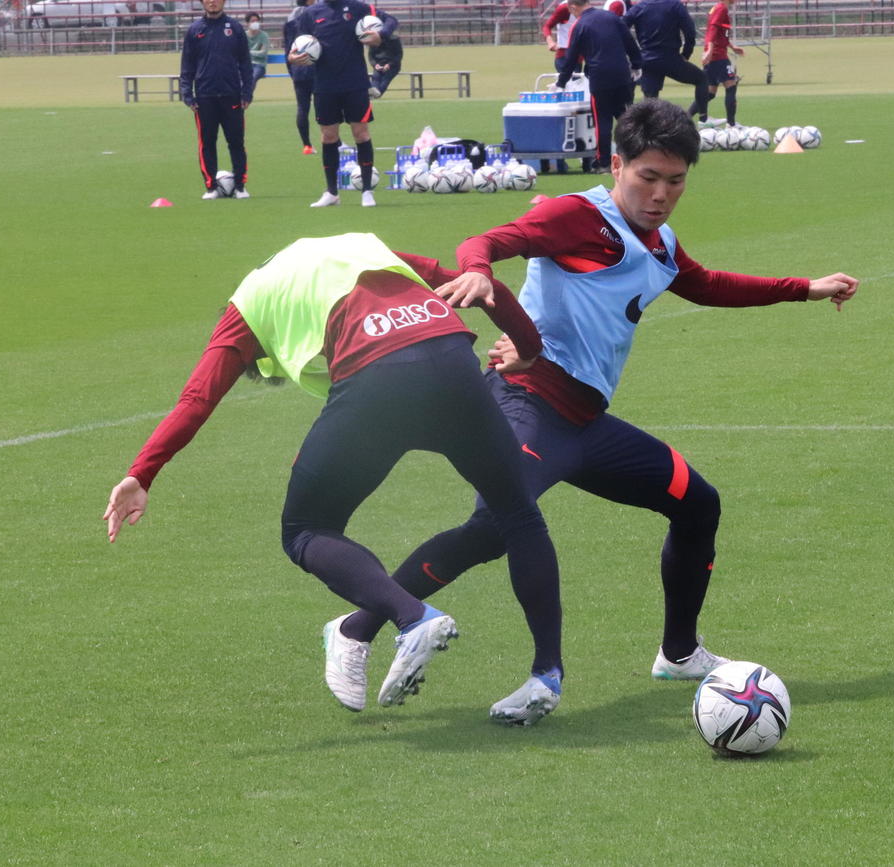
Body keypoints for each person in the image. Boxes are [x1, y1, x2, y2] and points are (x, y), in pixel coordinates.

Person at [329, 100, 858, 726]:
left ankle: (680, 652)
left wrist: (805, 288)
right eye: (648, 178)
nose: (661, 194)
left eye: (676, 180)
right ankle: (357, 628)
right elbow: (489, 241)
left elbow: (707, 284)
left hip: (584, 425)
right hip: (524, 403)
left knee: (697, 503)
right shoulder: (579, 217)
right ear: (617, 164)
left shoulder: (660, 244)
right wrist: (475, 272)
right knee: (497, 529)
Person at [101, 233, 564, 724]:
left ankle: (414, 618)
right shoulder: (359, 247)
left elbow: (196, 400)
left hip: (378, 382)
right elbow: (487, 290)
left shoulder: (246, 309)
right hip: (451, 358)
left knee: (304, 529)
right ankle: (547, 675)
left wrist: (141, 473)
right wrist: (529, 349)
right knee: (518, 515)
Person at [290, 0, 398, 207]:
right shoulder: (310, 13)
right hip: (324, 85)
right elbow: (297, 44)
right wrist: (293, 57)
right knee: (329, 137)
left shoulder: (358, 8)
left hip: (355, 83)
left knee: (361, 133)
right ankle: (332, 193)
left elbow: (391, 20)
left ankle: (367, 191)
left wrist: (381, 35)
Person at [179, 0, 254, 200]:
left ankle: (240, 186)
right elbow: (187, 66)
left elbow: (245, 63)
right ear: (203, 2)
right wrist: (187, 95)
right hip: (204, 97)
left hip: (232, 95)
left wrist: (247, 92)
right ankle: (211, 187)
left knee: (236, 142)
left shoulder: (235, 28)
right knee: (207, 143)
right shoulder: (195, 30)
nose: (213, 2)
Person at [557, 0, 642, 173]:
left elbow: (571, 57)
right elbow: (630, 42)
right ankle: (634, 156)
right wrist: (636, 64)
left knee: (602, 121)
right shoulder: (612, 17)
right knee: (626, 118)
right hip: (621, 75)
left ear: (573, 7)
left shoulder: (580, 25)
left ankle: (603, 163)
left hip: (599, 78)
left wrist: (561, 82)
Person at [624, 0, 710, 121]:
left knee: (650, 101)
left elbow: (621, 26)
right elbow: (690, 30)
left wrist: (633, 52)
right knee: (701, 79)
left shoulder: (639, 7)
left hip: (648, 60)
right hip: (671, 58)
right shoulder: (675, 5)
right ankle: (703, 119)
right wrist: (686, 53)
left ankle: (649, 133)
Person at [540, 0, 580, 174]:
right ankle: (563, 151)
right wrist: (550, 41)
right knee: (569, 104)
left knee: (580, 104)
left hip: (579, 58)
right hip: (564, 56)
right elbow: (547, 26)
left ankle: (578, 146)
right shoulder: (564, 8)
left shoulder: (586, 7)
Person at [698, 0, 743, 128]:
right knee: (731, 85)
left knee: (710, 93)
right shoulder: (721, 9)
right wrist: (710, 50)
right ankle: (731, 124)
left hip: (716, 54)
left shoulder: (720, 9)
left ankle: (694, 118)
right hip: (718, 55)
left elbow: (722, 34)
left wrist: (732, 46)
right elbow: (713, 29)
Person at [283, 0, 316, 154]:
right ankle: (333, 140)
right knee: (323, 105)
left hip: (298, 69)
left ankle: (307, 145)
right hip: (316, 67)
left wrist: (292, 71)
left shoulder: (290, 18)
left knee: (303, 108)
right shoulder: (315, 14)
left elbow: (288, 48)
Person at [367, 21, 402, 98]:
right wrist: (375, 65)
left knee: (385, 80)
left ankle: (376, 96)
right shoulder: (373, 40)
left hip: (392, 66)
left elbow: (398, 55)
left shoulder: (394, 40)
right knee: (375, 78)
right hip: (379, 65)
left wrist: (389, 64)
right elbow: (371, 56)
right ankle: (373, 95)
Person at [245, 12, 269, 84]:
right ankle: (245, 95)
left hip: (259, 65)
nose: (255, 23)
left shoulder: (264, 35)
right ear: (247, 23)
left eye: (257, 21)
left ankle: (246, 95)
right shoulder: (243, 35)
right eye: (252, 21)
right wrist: (256, 52)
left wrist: (248, 52)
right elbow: (241, 52)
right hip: (246, 64)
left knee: (252, 78)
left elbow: (263, 53)